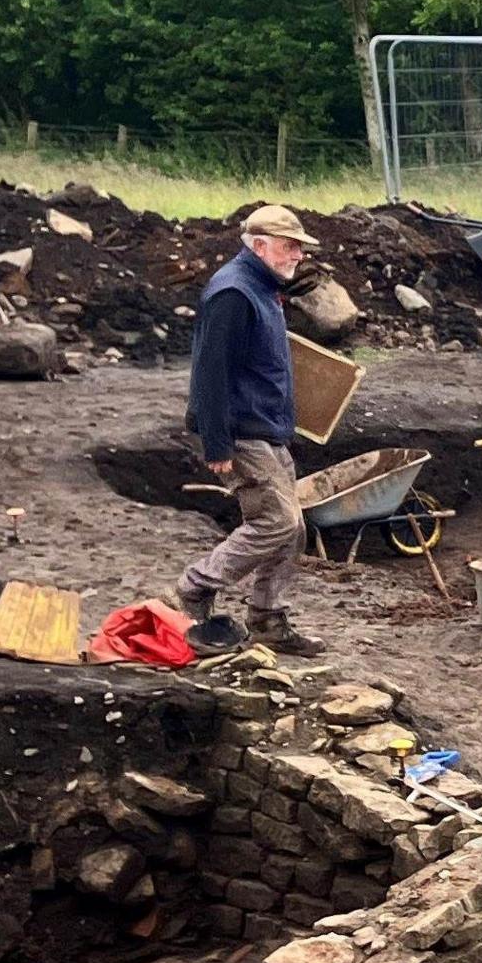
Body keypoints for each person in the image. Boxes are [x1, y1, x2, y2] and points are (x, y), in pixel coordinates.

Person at [175, 204, 322, 654]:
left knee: (292, 528)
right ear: (259, 246)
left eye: (299, 246)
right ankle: (196, 585)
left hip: (267, 426)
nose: (297, 254)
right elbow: (210, 373)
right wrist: (217, 441)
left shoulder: (262, 287)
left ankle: (267, 619)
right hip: (242, 429)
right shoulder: (234, 294)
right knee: (275, 522)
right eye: (289, 246)